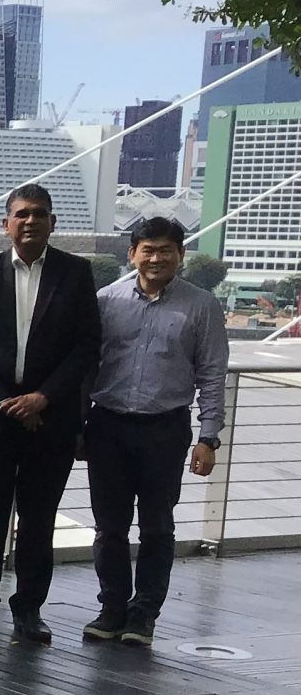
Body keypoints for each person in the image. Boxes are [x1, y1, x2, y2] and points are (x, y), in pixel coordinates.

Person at [0, 183, 102, 643]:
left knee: (39, 522)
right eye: (22, 214)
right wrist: (4, 400)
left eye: (40, 213)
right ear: (7, 224)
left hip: (50, 420)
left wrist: (43, 398)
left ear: (52, 222)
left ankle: (29, 611)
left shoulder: (76, 273)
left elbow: (86, 347)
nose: (31, 221)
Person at [83, 216, 227, 645]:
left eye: (166, 250)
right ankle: (111, 609)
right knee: (109, 526)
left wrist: (208, 436)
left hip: (166, 429)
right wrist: (76, 427)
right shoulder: (106, 300)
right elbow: (86, 368)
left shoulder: (201, 305)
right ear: (132, 254)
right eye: (148, 249)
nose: (157, 257)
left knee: (158, 526)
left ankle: (143, 614)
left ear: (181, 255)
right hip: (107, 425)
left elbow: (212, 374)